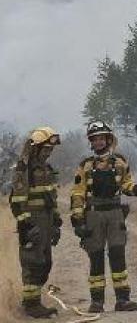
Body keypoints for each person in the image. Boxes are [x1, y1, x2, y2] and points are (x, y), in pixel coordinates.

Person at [69, 120, 137, 313]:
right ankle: (97, 302)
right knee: (96, 257)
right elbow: (78, 193)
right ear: (91, 141)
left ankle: (122, 299)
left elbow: (126, 185)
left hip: (115, 214)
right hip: (94, 215)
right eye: (94, 139)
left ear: (108, 139)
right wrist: (77, 219)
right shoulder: (85, 166)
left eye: (101, 138)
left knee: (117, 256)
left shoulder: (120, 162)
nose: (98, 142)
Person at [8, 126, 62, 319]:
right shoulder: (25, 168)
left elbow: (50, 197)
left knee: (46, 262)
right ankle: (31, 305)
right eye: (45, 149)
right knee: (33, 263)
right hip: (32, 221)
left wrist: (56, 221)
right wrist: (25, 225)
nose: (48, 153)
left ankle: (33, 301)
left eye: (50, 150)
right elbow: (16, 202)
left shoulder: (46, 169)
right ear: (35, 148)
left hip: (46, 220)